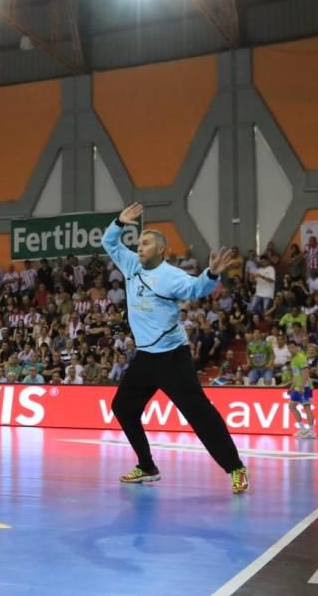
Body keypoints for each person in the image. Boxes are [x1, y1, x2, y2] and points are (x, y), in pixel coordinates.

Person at [104, 203, 248, 494]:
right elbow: (109, 242)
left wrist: (211, 274)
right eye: (140, 242)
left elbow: (196, 289)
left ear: (161, 250)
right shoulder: (131, 264)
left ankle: (236, 468)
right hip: (146, 357)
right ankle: (147, 466)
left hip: (172, 357)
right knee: (122, 407)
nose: (140, 247)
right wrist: (120, 222)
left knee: (199, 414)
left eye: (146, 244)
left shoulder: (172, 277)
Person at [288, 365, 316, 438]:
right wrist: (291, 388)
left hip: (305, 388)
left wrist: (301, 386)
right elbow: (296, 377)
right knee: (291, 406)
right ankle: (302, 429)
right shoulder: (294, 361)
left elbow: (306, 375)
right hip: (297, 388)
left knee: (307, 408)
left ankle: (311, 431)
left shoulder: (302, 360)